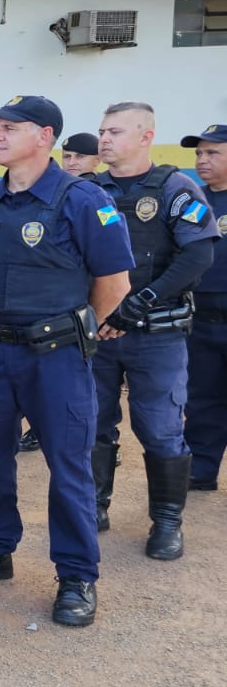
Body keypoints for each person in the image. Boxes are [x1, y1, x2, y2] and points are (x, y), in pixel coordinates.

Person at [0, 96, 134, 627]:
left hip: (55, 356)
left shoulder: (82, 199)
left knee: (68, 464)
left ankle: (76, 574)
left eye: (10, 127)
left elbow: (115, 282)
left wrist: (72, 328)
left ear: (44, 135)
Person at [89, 102, 218, 557]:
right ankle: (94, 507)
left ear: (146, 136)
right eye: (102, 131)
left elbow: (197, 255)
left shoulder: (175, 189)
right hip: (98, 336)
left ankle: (166, 523)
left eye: (116, 131)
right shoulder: (86, 189)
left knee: (161, 428)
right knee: (93, 424)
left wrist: (140, 303)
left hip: (155, 335)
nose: (104, 139)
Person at [182, 124, 227, 494]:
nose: (202, 160)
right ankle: (202, 468)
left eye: (213, 153)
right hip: (201, 318)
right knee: (202, 398)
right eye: (199, 153)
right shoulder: (194, 201)